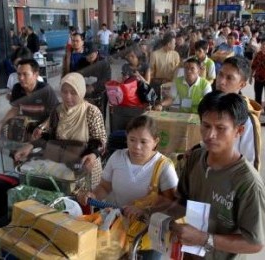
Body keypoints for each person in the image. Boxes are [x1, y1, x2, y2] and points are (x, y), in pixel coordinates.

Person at [171, 91, 265, 259]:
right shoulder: (195, 158)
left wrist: (205, 238)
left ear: (239, 130)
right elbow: (181, 201)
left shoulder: (248, 182)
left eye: (220, 128)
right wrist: (157, 212)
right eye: (206, 125)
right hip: (189, 255)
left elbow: (254, 243)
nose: (210, 135)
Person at [77, 114, 178, 259]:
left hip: (149, 234)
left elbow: (172, 204)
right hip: (119, 227)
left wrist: (144, 210)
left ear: (155, 141)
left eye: (144, 142)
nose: (136, 147)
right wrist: (92, 195)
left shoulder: (164, 166)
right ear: (126, 138)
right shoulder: (117, 157)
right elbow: (105, 187)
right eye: (132, 140)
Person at [15, 72, 107, 188]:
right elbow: (50, 137)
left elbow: (101, 140)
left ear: (81, 91)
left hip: (85, 168)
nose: (68, 97)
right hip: (63, 166)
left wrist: (93, 155)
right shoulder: (57, 111)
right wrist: (31, 145)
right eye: (64, 92)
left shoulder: (91, 112)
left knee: (85, 202)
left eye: (73, 92)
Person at [0, 59, 59, 141]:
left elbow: (55, 113)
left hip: (45, 127)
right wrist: (1, 123)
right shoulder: (17, 88)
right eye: (19, 74)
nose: (21, 78)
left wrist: (42, 127)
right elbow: (15, 109)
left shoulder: (45, 90)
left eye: (25, 74)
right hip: (27, 126)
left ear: (36, 74)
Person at [216, 56, 262, 170]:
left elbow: (249, 164)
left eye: (229, 78)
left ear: (242, 85)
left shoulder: (247, 119)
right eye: (220, 74)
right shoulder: (213, 105)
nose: (221, 82)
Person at [251, 38, 265, 107]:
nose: (264, 46)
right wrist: (250, 77)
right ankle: (257, 111)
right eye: (263, 44)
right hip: (258, 78)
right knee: (257, 96)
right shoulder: (258, 54)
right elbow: (253, 66)